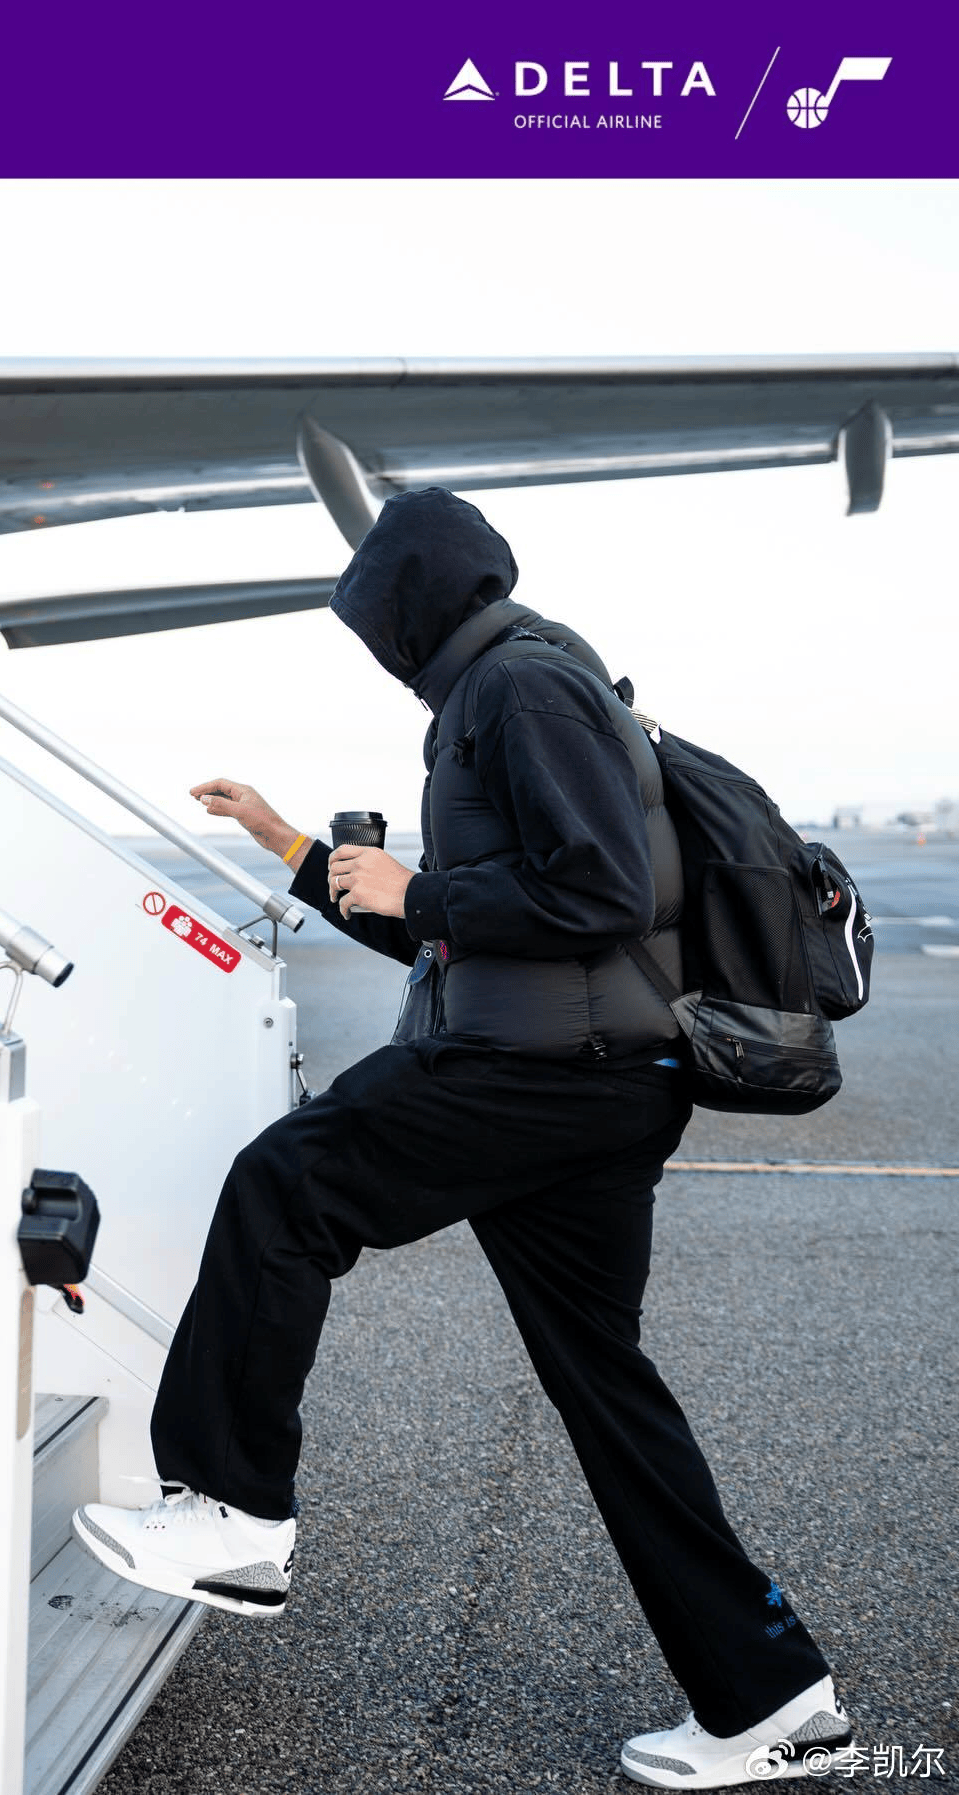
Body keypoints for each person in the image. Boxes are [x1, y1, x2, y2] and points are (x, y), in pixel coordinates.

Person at [72, 488, 852, 1789]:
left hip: (546, 1075)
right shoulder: (511, 687)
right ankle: (775, 1699)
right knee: (606, 1388)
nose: (375, 647)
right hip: (592, 1075)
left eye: (375, 621)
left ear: (412, 604)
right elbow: (464, 932)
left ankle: (233, 1513)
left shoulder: (522, 687)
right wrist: (289, 843)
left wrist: (423, 887)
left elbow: (598, 890)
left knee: (288, 1183)